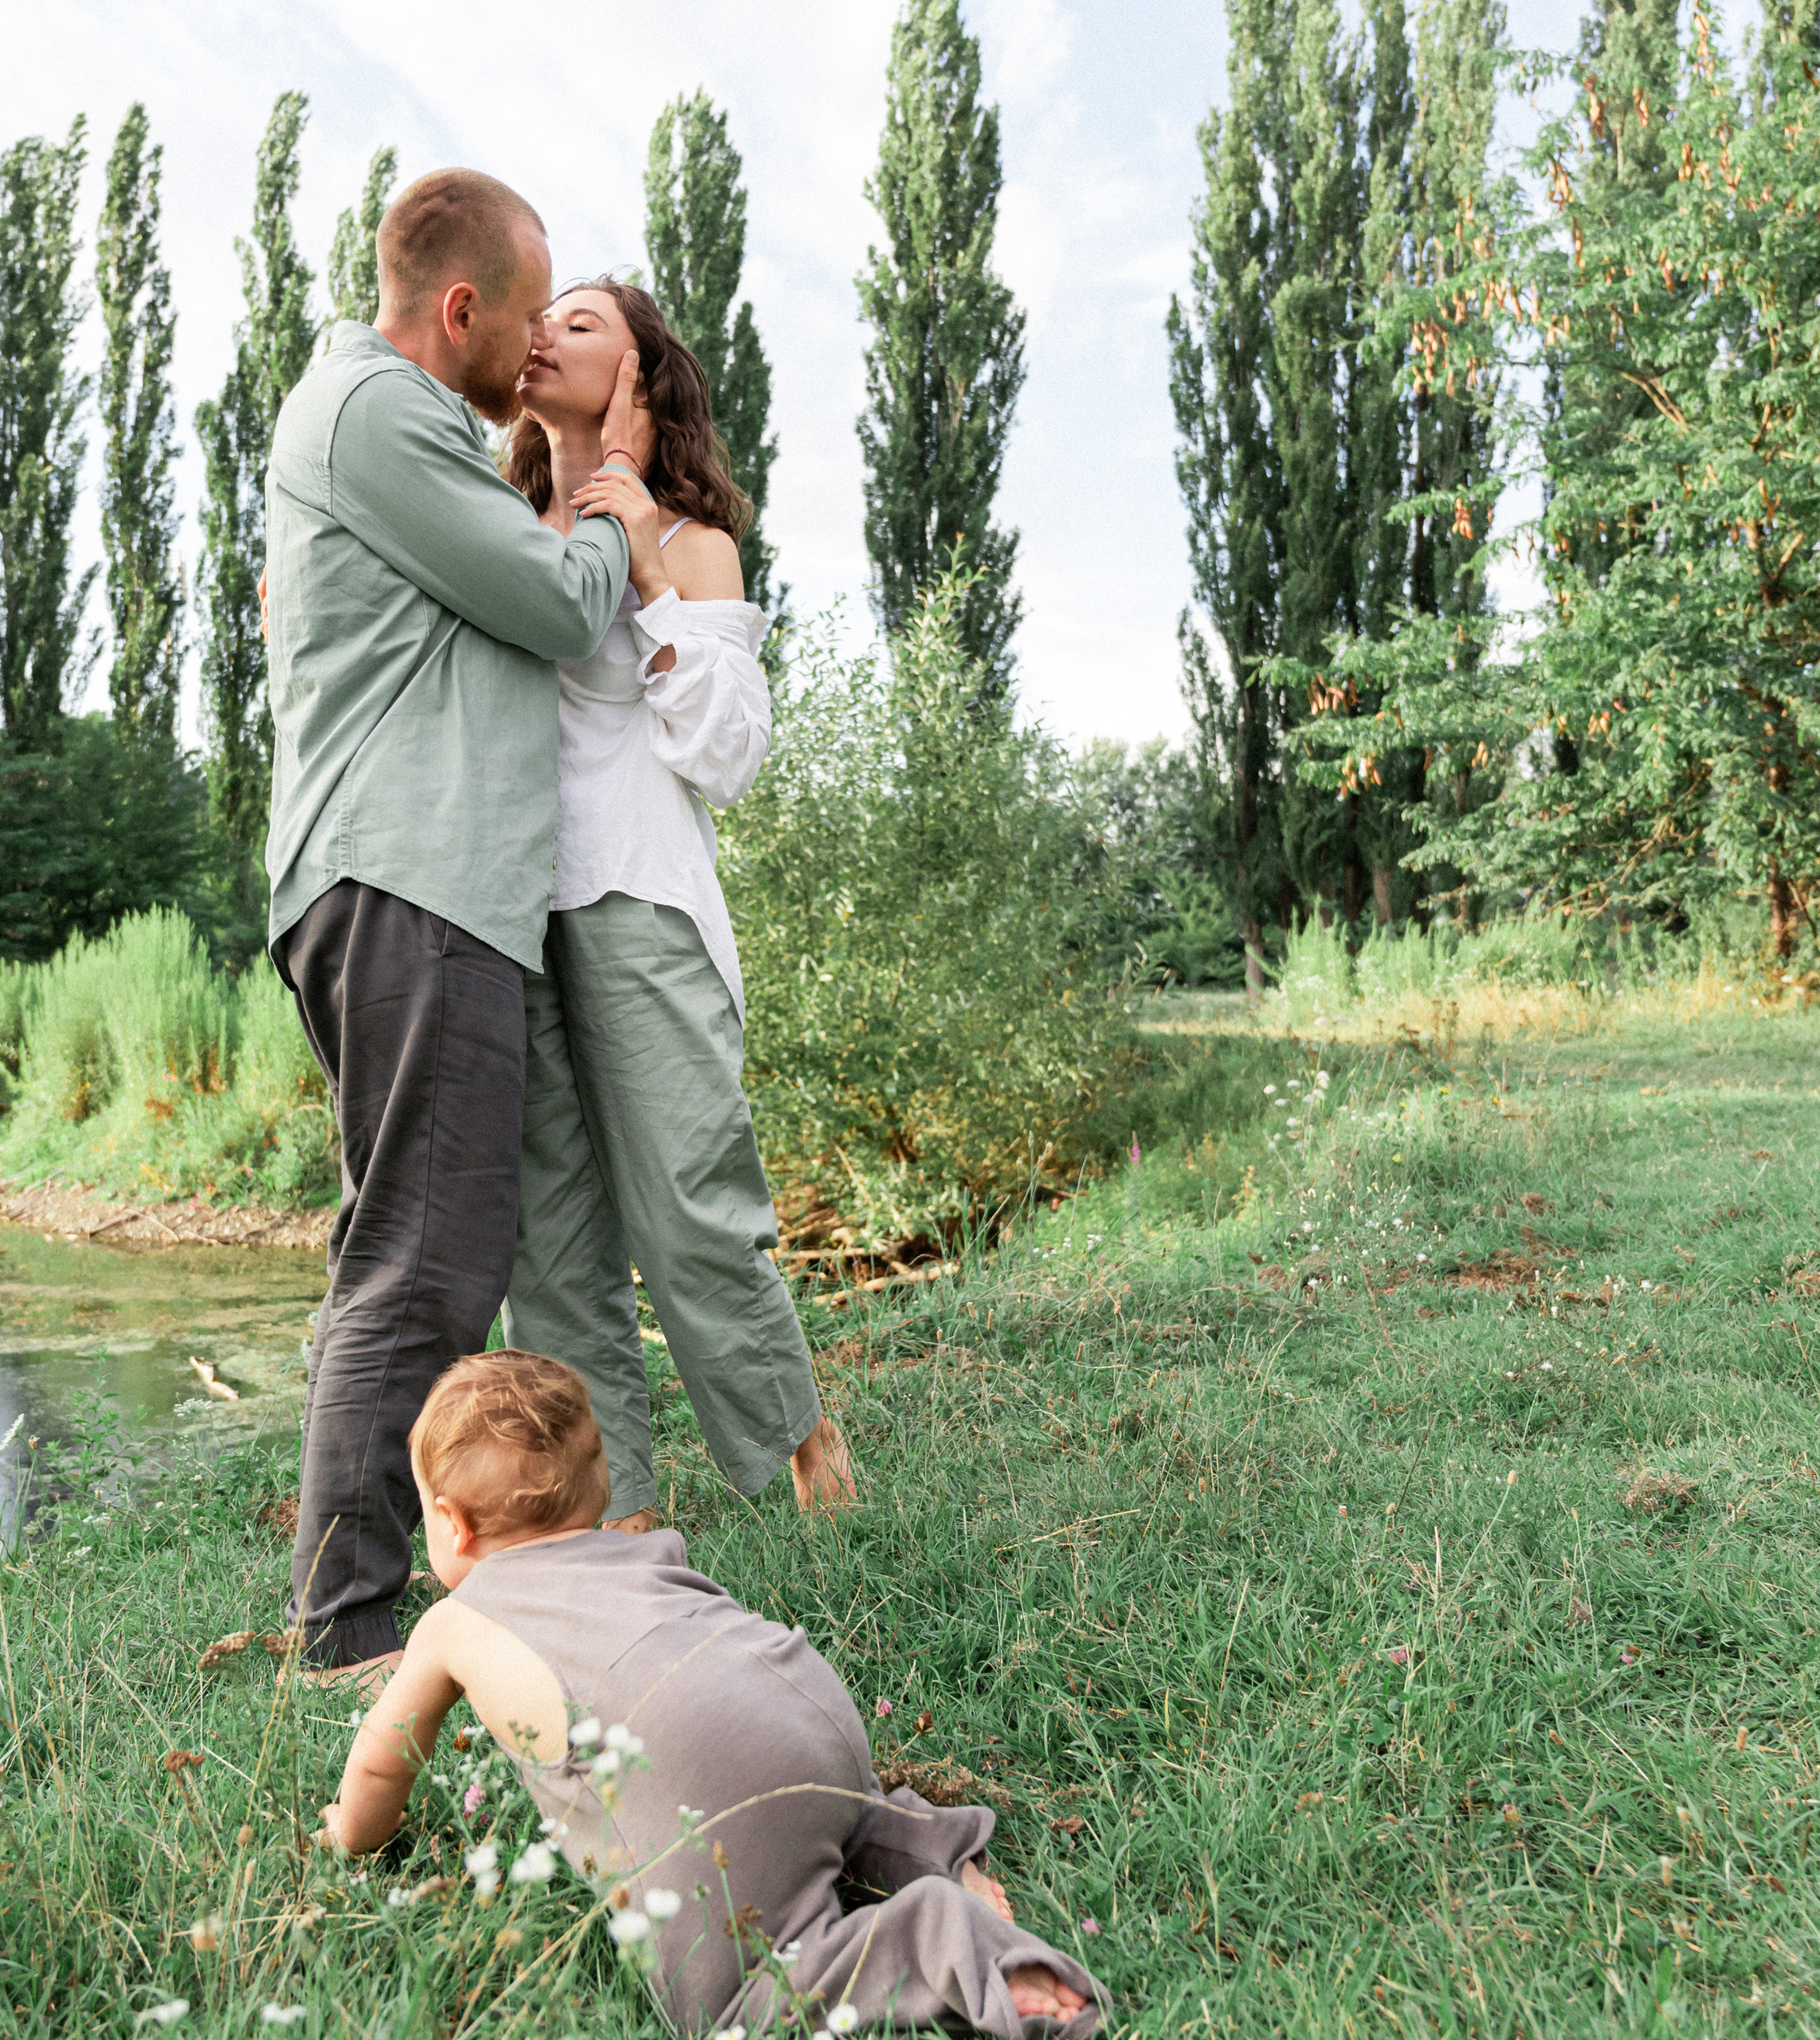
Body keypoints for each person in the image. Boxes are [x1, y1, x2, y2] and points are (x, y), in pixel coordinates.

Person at [262, 170, 657, 1683]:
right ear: (460, 310)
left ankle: (382, 1593)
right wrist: (612, 495)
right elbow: (560, 607)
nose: (536, 341)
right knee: (422, 1264)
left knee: (422, 1249)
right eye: (529, 303)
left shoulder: (383, 426)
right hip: (409, 883)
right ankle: (353, 1629)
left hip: (411, 887)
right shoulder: (383, 413)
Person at [322, 1352, 1104, 2038]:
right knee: (829, 1807)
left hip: (711, 1782)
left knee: (725, 2004)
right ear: (596, 1488)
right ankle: (923, 1843)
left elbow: (385, 1763)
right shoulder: (633, 1549)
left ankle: (931, 1936)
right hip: (805, 1705)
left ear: (452, 1526)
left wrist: (349, 1834)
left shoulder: (452, 1624)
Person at [497, 278, 856, 1531]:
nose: (543, 330)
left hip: (636, 899)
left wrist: (645, 565)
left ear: (639, 379)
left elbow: (730, 754)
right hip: (503, 916)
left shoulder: (692, 543)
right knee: (548, 1247)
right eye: (539, 316)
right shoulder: (486, 526)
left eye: (582, 322)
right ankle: (619, 1522)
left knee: (692, 1216)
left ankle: (809, 1461)